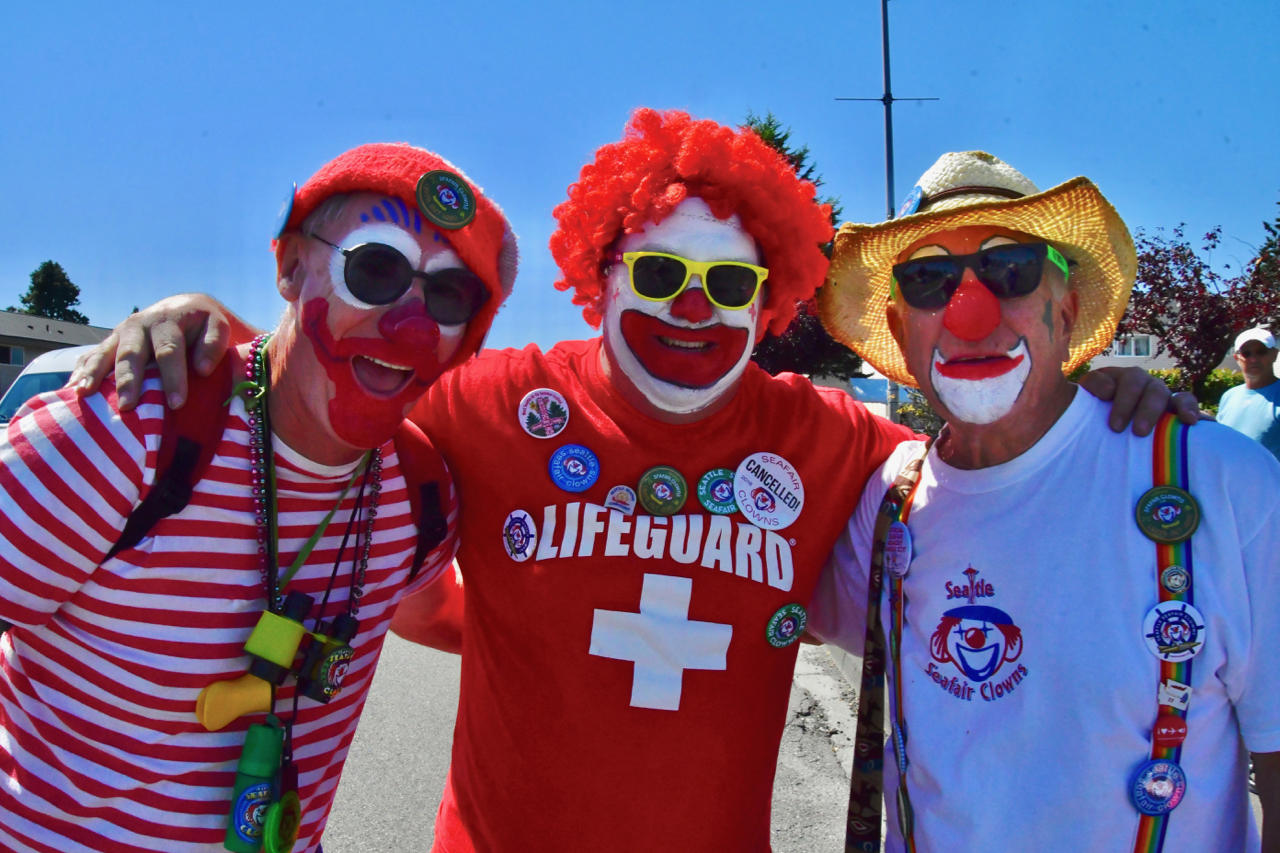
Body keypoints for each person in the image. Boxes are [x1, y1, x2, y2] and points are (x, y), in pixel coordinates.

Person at [73, 112, 1196, 852]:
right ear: (598, 274)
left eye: (727, 284)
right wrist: (214, 331)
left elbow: (982, 461)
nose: (689, 308)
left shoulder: (831, 437)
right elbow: (331, 395)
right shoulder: (490, 398)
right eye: (657, 273)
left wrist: (1114, 409)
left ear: (771, 304)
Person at [0, 143, 516, 853]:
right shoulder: (125, 431)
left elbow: (438, 615)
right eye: (375, 270)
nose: (412, 322)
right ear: (290, 264)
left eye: (450, 295)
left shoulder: (417, 495)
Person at [811, 150, 1280, 851]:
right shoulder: (888, 501)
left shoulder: (1214, 480)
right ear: (902, 330)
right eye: (930, 279)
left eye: (1011, 269)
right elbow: (752, 588)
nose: (972, 311)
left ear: (1066, 306)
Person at [1217, 326, 1280, 459]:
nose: (1253, 359)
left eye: (1261, 352)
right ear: (1237, 358)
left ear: (1274, 355)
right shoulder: (1228, 396)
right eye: (1247, 353)